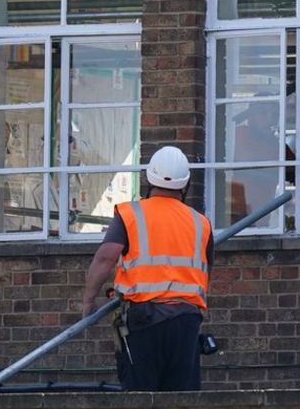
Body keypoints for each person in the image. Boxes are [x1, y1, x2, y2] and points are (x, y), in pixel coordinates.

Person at [80, 145, 214, 391]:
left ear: (148, 178)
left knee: (140, 395)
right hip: (185, 322)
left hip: (144, 321)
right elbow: (205, 270)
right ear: (186, 184)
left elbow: (104, 258)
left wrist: (89, 301)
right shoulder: (201, 223)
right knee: (181, 398)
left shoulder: (130, 214)